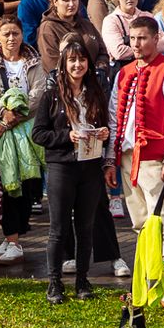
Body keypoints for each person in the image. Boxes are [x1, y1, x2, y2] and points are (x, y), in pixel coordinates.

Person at [111, 14, 164, 311]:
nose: (136, 44)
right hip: (129, 158)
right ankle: (147, 282)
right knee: (140, 225)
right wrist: (110, 159)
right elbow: (114, 115)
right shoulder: (124, 73)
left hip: (156, 158)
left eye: (143, 38)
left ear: (156, 38)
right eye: (132, 38)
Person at [28, 39, 112, 300]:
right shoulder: (52, 95)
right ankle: (54, 282)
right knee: (59, 228)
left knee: (85, 227)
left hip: (90, 167)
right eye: (72, 60)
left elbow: (106, 126)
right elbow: (38, 134)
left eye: (82, 59)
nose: (78, 65)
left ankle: (82, 281)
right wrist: (67, 136)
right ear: (64, 64)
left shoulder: (96, 93)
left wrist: (104, 134)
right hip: (62, 166)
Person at [0, 19, 44, 266]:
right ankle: (10, 237)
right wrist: (1, 114)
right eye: (6, 34)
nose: (11, 38)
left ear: (22, 35)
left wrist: (11, 120)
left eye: (15, 33)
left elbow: (38, 95)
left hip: (25, 134)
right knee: (2, 186)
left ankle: (14, 239)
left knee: (21, 186)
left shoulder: (35, 64)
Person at [36, 0, 106, 76]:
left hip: (95, 80)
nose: (71, 4)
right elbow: (52, 66)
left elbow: (103, 52)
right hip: (66, 83)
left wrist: (100, 68)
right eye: (66, 0)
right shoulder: (48, 29)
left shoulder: (86, 24)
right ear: (55, 2)